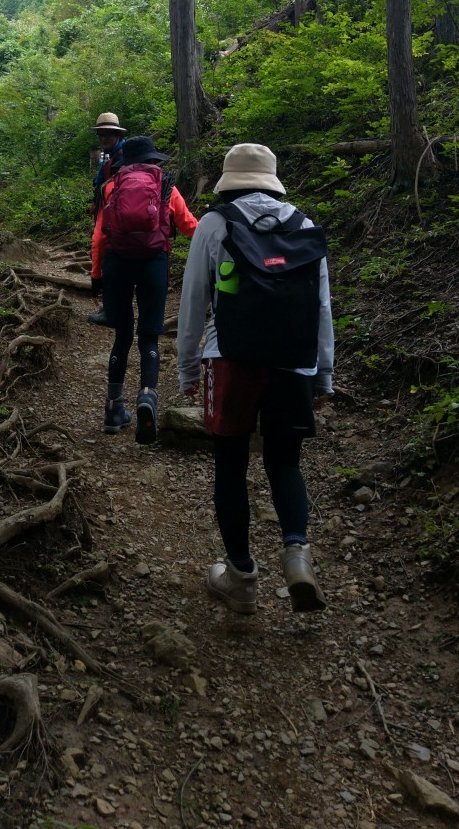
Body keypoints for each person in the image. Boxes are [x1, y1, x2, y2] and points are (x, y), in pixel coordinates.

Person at [177, 143, 333, 614]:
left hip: (229, 360)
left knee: (230, 466)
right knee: (285, 462)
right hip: (294, 362)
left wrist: (187, 367)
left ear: (231, 180)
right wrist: (323, 373)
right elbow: (322, 306)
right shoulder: (304, 226)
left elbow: (193, 301)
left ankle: (241, 578)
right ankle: (297, 552)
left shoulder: (215, 224)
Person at [92, 136, 198, 442]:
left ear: (126, 161)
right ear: (153, 159)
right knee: (149, 336)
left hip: (117, 263)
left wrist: (96, 275)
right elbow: (190, 224)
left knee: (122, 336)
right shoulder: (165, 185)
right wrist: (219, 242)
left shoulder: (112, 186)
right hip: (153, 262)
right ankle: (147, 397)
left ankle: (113, 409)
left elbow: (99, 236)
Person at [87, 112, 126, 327]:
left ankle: (111, 310)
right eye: (102, 134)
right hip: (109, 211)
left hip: (114, 216)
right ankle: (112, 307)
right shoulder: (111, 153)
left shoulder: (121, 156)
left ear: (117, 134)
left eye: (109, 133)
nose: (105, 137)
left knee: (107, 256)